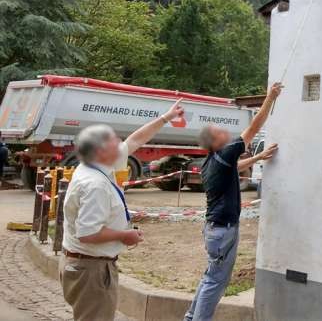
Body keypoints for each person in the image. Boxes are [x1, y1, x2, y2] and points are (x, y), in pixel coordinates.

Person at [61, 99, 185, 321]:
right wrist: (124, 235)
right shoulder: (95, 185)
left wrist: (166, 117)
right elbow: (87, 232)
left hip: (89, 266)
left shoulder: (95, 165)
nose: (119, 143)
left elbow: (136, 139)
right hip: (91, 270)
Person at [184, 82, 283, 321]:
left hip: (214, 230)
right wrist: (270, 97)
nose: (225, 134)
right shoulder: (225, 153)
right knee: (216, 280)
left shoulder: (212, 162)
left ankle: (190, 317)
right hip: (223, 231)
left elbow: (235, 168)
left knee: (211, 275)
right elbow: (255, 125)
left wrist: (258, 156)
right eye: (220, 133)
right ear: (214, 141)